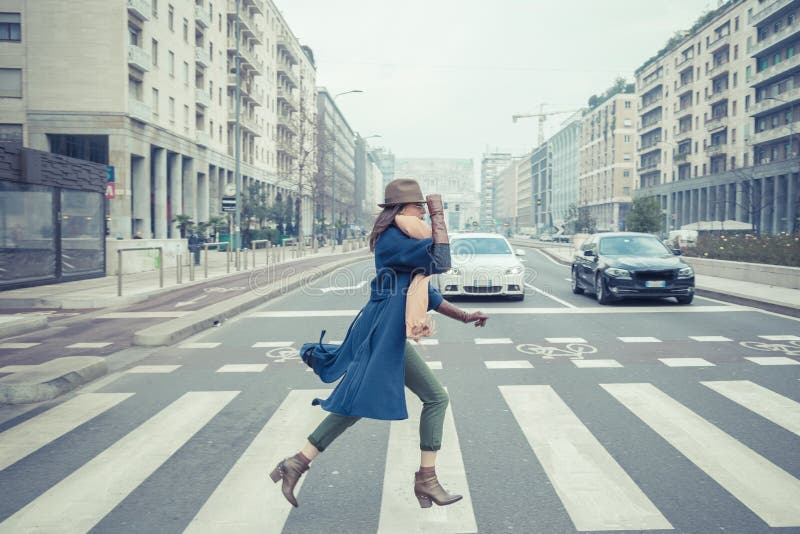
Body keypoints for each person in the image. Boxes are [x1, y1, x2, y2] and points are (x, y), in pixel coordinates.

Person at [270, 178, 489, 509]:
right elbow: (442, 260)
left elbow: (425, 291)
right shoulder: (393, 241)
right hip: (380, 332)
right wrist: (441, 215)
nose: (425, 216)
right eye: (421, 208)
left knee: (368, 402)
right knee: (426, 398)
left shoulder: (403, 241)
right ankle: (425, 481)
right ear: (402, 209)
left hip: (386, 331)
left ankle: (297, 463)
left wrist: (463, 316)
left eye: (428, 211)